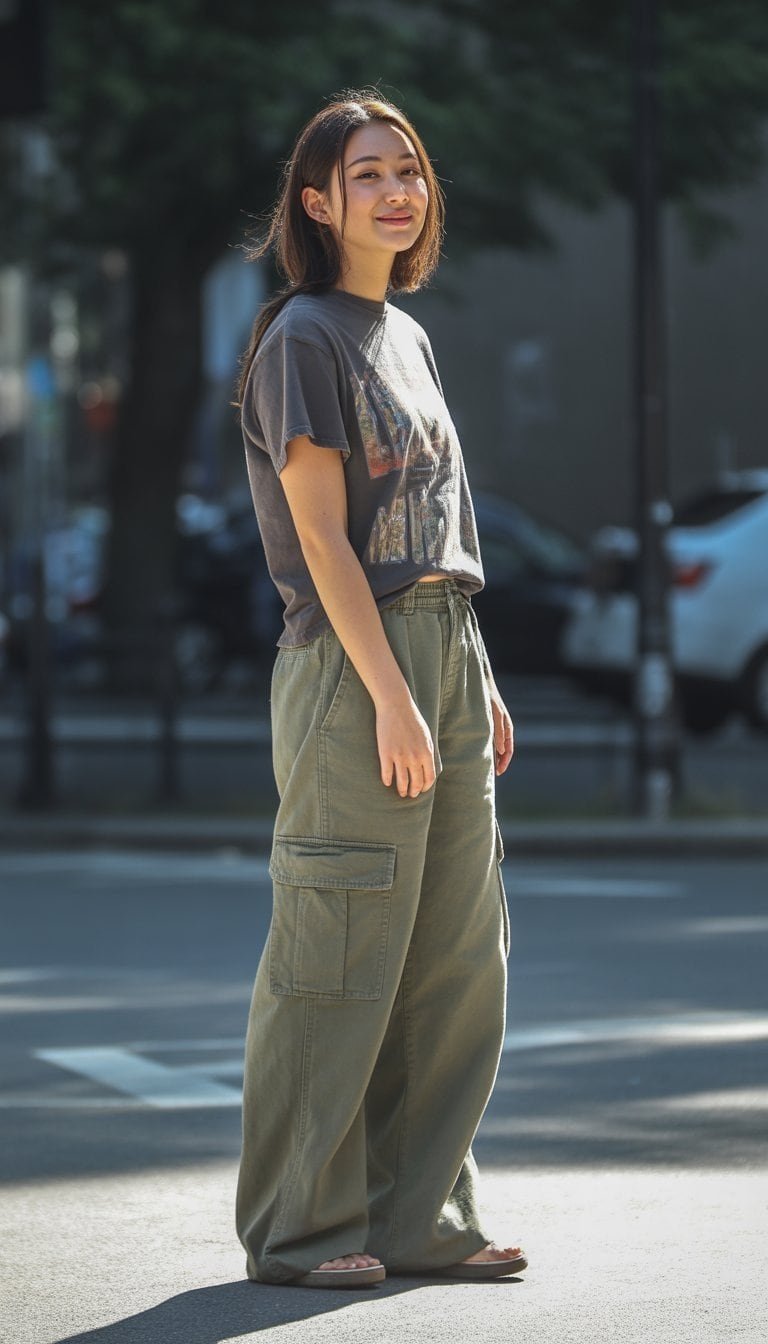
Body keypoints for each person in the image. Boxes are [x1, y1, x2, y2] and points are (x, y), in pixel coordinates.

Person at [232, 89, 527, 1290]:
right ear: (318, 203)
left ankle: (420, 1218)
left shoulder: (405, 334)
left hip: (444, 647)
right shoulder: (301, 337)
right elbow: (323, 540)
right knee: (338, 949)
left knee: (456, 957)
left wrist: (473, 679)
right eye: (367, 174)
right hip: (357, 664)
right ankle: (300, 1227)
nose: (398, 190)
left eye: (407, 169)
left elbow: (435, 527)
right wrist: (394, 697)